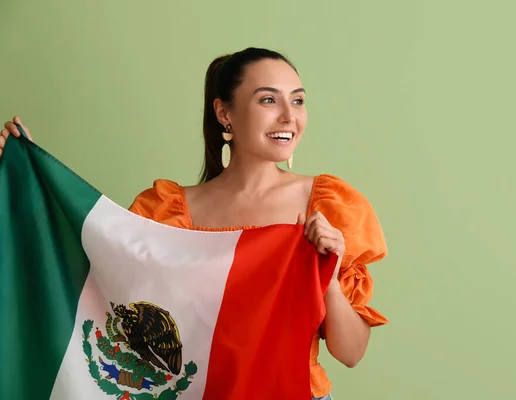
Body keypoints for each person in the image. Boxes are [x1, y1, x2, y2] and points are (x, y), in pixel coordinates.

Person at [1, 47, 388, 400]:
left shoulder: (330, 206)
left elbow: (351, 353)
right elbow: (95, 287)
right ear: (225, 113)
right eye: (268, 99)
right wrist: (28, 182)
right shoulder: (166, 212)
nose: (289, 116)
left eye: (298, 101)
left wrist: (331, 274)